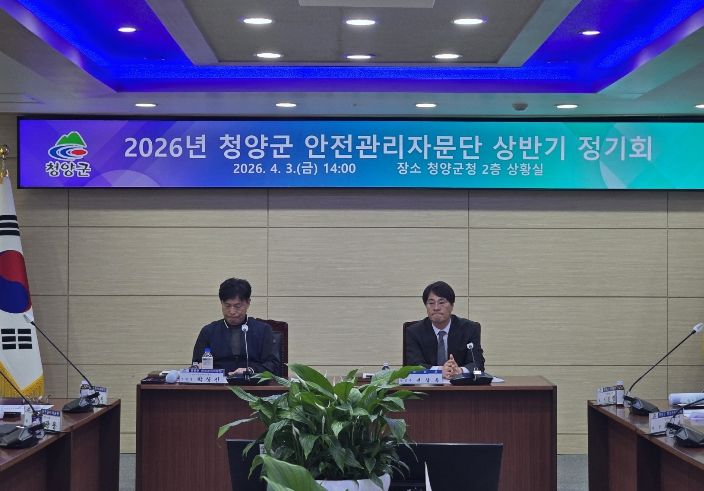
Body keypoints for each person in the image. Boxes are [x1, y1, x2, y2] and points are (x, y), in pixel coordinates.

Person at [192, 278, 279, 376]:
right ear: (221, 302)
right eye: (227, 306)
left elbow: (273, 366)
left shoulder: (263, 330)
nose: (232, 311)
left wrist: (250, 371)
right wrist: (198, 367)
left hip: (251, 383)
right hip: (218, 383)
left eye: (237, 306)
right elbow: (196, 364)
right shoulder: (208, 331)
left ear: (248, 303)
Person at [404, 281, 485, 379]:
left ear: (452, 306)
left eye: (441, 302)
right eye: (431, 303)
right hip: (426, 386)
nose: (436, 308)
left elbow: (478, 364)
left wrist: (460, 370)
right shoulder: (414, 331)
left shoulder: (469, 329)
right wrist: (439, 370)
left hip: (460, 386)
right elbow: (412, 366)